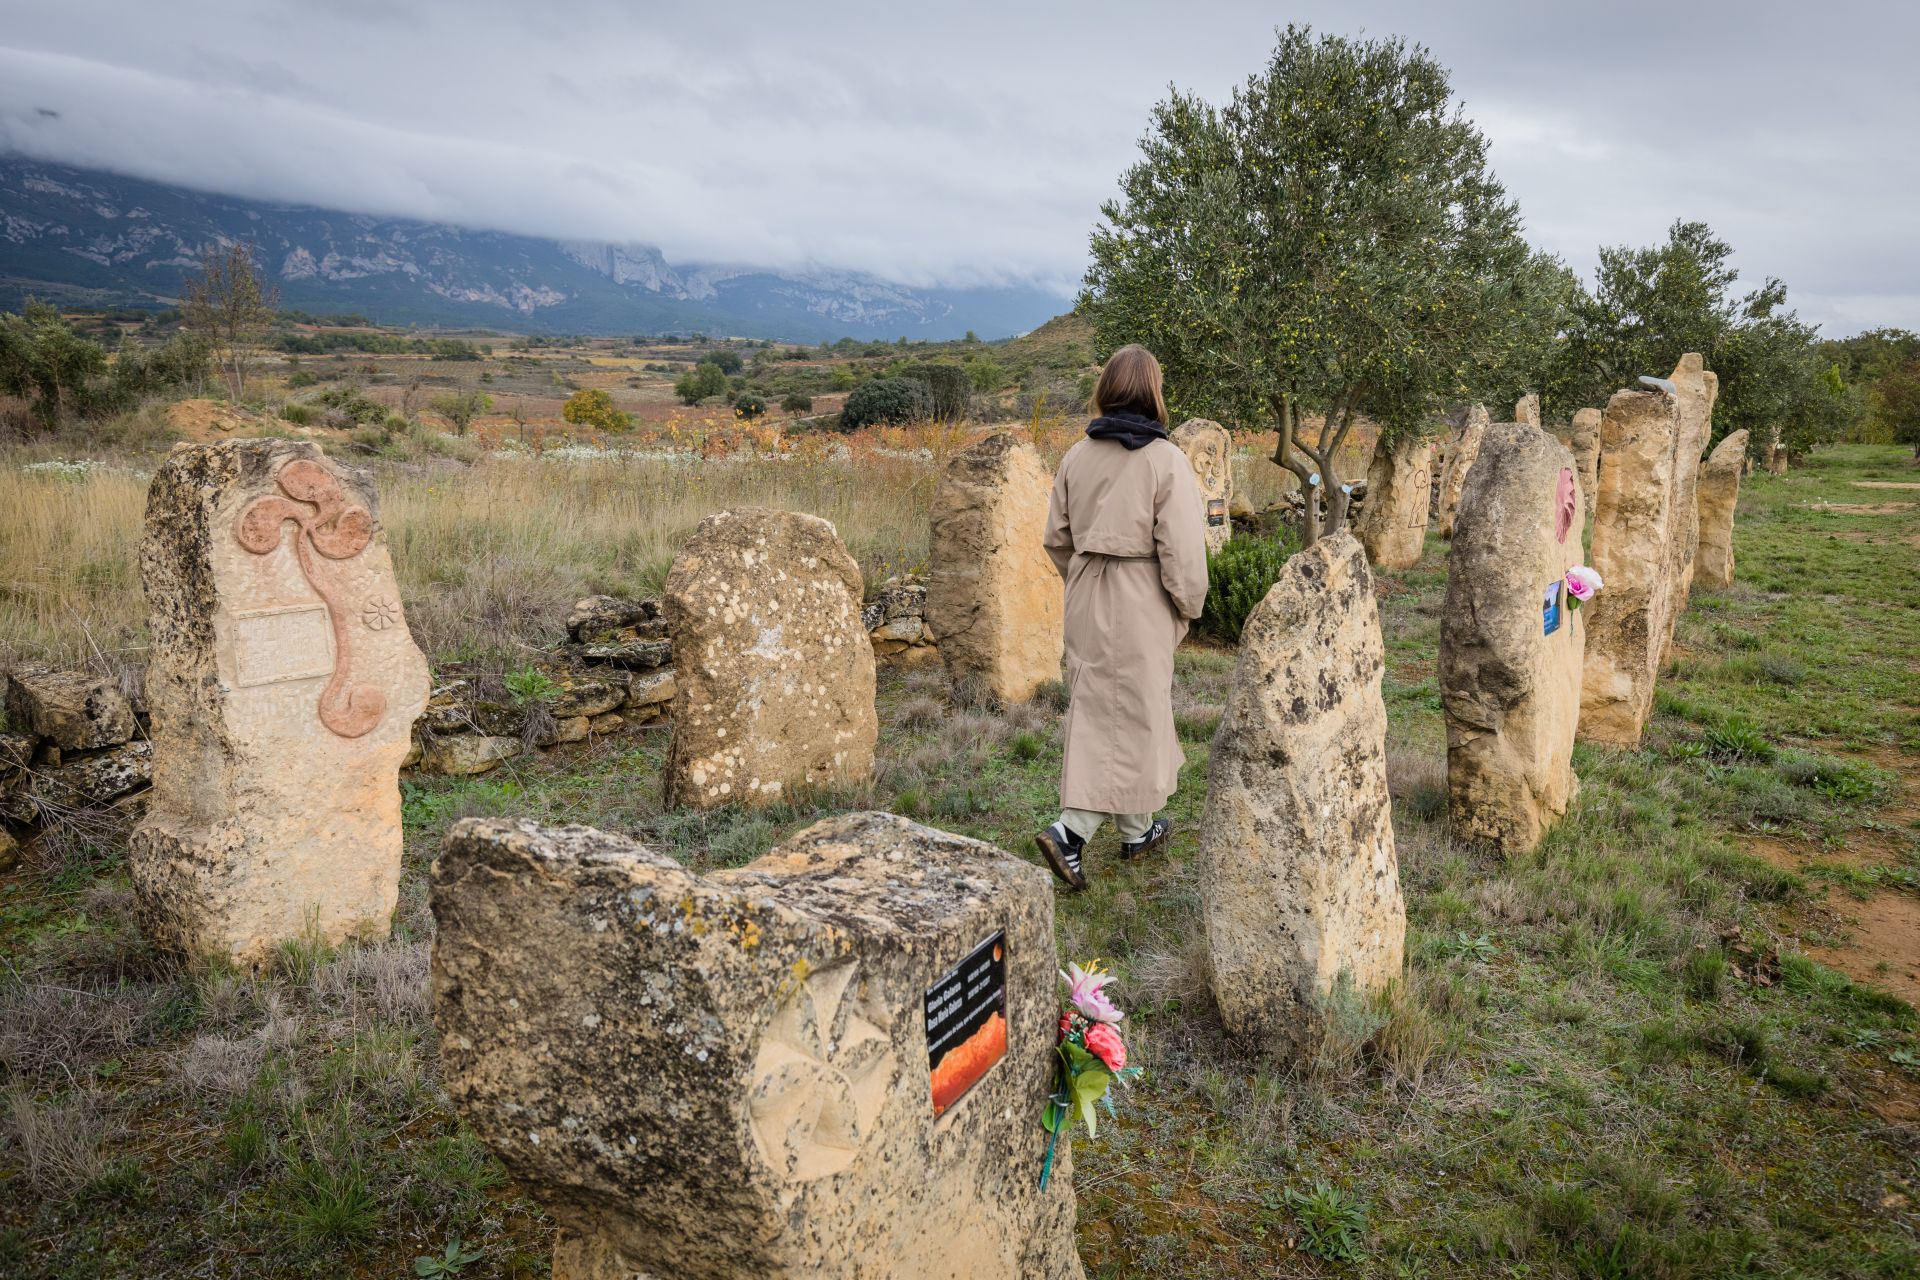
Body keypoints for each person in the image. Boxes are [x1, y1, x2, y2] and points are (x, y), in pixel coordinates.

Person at [1035, 345, 1208, 891]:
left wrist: (1086, 579)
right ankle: (1071, 833)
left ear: (1106, 388)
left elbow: (1056, 540)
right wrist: (1187, 606)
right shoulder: (1165, 460)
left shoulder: (1075, 456)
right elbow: (1182, 550)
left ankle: (1138, 831)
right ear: (1154, 391)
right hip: (1141, 592)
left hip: (1087, 590)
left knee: (1109, 705)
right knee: (1132, 708)